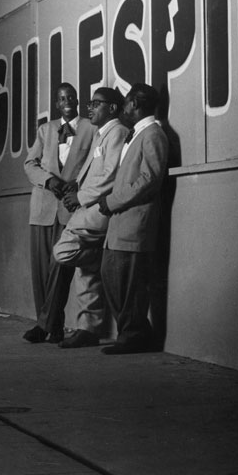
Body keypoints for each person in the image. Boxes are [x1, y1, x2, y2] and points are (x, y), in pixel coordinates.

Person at [52, 87, 130, 348]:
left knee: (63, 252)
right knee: (84, 274)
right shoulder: (101, 133)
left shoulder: (117, 131)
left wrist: (81, 197)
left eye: (97, 104)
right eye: (90, 103)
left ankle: (100, 259)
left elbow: (111, 177)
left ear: (113, 109)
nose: (90, 108)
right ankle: (89, 328)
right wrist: (76, 186)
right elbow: (95, 172)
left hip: (96, 212)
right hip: (86, 208)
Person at [97, 83, 169, 354]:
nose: (124, 108)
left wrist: (112, 201)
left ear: (136, 104)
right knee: (113, 276)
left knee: (127, 284)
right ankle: (136, 333)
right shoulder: (138, 134)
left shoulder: (153, 134)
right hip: (122, 223)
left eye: (126, 103)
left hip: (134, 224)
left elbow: (149, 180)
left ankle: (133, 336)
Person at [22, 83, 95, 343]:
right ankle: (53, 326)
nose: (67, 101)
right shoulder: (45, 130)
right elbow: (29, 164)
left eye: (71, 97)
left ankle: (43, 325)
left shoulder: (91, 127)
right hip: (42, 208)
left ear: (77, 99)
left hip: (70, 209)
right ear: (56, 103)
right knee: (42, 271)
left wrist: (78, 186)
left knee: (60, 266)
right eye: (62, 98)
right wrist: (47, 180)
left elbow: (94, 163)